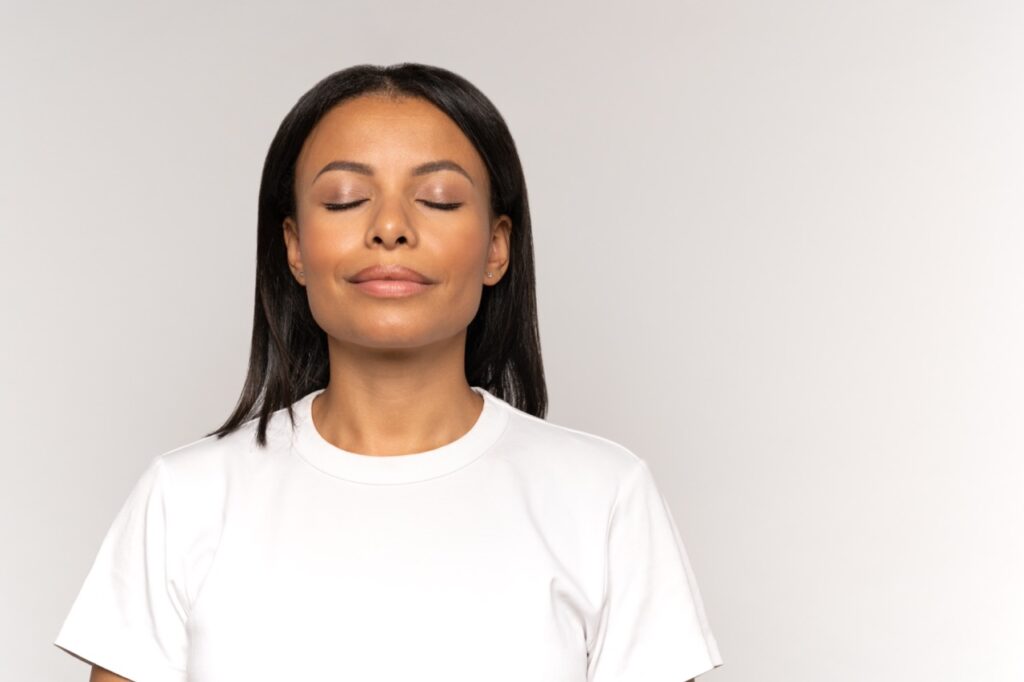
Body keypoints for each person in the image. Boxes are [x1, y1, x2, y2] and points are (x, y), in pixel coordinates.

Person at [53, 63, 724, 682]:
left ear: (497, 248)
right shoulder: (185, 500)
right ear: (293, 247)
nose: (391, 228)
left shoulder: (603, 497)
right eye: (345, 200)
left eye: (437, 199)